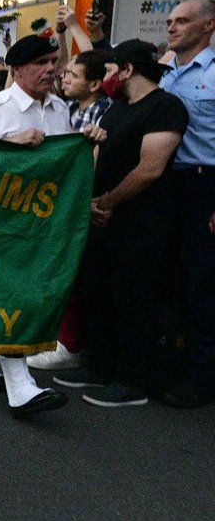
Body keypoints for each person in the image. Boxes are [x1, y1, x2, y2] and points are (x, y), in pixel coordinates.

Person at [0, 33, 103, 417]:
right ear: (18, 69)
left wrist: (84, 142)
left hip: (42, 223)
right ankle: (20, 387)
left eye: (53, 62)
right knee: (11, 293)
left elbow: (63, 164)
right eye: (40, 63)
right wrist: (9, 144)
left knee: (20, 292)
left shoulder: (59, 109)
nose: (50, 70)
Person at [78, 40, 188, 408]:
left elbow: (150, 169)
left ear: (127, 70)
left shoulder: (165, 108)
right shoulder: (117, 109)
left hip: (143, 225)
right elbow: (97, 155)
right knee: (101, 294)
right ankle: (101, 367)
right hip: (105, 221)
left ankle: (133, 381)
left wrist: (107, 202)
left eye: (109, 70)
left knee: (134, 301)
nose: (105, 78)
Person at [27, 48, 115, 371]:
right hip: (58, 202)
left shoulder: (104, 113)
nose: (63, 77)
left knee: (73, 276)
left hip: (80, 204)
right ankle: (56, 337)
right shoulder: (67, 110)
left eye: (72, 75)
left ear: (94, 84)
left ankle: (71, 345)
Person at [158, 0, 215, 408]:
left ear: (208, 25)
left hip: (205, 185)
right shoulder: (168, 75)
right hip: (167, 185)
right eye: (169, 21)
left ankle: (202, 376)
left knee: (202, 283)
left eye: (182, 20)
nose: (172, 27)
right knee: (169, 278)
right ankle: (175, 362)